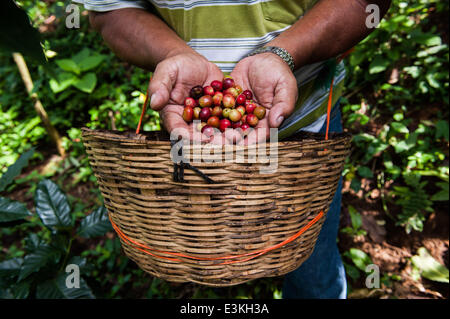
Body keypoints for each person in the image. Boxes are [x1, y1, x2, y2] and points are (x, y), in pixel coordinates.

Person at [74, 0, 391, 298]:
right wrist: (173, 54)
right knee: (201, 244)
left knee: (312, 259)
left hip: (307, 130)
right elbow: (111, 11)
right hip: (195, 143)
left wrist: (284, 54)